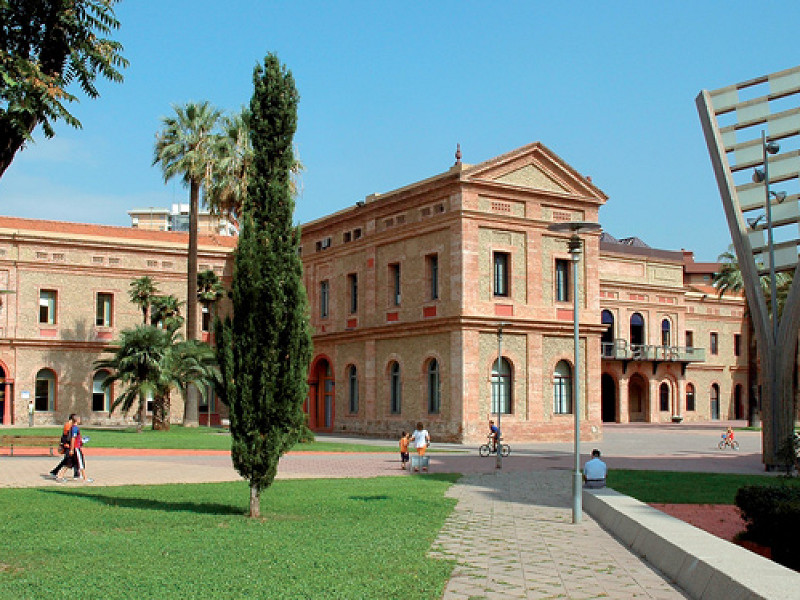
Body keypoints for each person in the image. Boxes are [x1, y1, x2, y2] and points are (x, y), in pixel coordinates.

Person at [56, 415, 93, 483]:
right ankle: (85, 478)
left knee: (69, 463)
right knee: (81, 462)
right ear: (77, 420)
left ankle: (60, 476)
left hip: (75, 447)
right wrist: (72, 449)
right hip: (76, 448)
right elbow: (73, 439)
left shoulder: (72, 428)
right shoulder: (75, 428)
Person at [49, 414, 79, 481]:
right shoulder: (69, 426)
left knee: (70, 459)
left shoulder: (68, 425)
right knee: (69, 460)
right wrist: (68, 445)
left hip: (68, 445)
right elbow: (68, 437)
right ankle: (58, 473)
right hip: (68, 445)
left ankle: (76, 473)